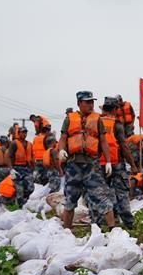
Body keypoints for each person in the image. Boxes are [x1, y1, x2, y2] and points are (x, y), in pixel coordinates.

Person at [58, 91, 117, 229]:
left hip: (92, 165)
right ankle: (66, 232)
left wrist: (108, 161)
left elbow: (103, 141)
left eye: (92, 102)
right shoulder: (69, 119)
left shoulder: (97, 119)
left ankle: (113, 229)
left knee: (101, 195)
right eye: (87, 102)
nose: (91, 105)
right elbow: (63, 138)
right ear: (79, 103)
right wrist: (61, 150)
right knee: (70, 199)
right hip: (73, 165)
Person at [101, 96, 138, 229]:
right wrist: (133, 165)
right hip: (116, 162)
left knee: (102, 193)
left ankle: (103, 221)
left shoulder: (95, 122)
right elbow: (124, 146)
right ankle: (129, 223)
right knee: (121, 192)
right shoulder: (116, 124)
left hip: (99, 164)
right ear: (116, 109)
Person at [9, 127, 34, 204]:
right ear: (18, 133)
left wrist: (34, 169)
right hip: (17, 168)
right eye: (22, 132)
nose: (24, 134)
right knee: (19, 190)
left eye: (25, 132)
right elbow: (9, 156)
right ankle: (19, 208)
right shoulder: (14, 143)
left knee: (30, 188)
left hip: (27, 168)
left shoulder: (29, 144)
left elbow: (32, 158)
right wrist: (11, 169)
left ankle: (25, 204)